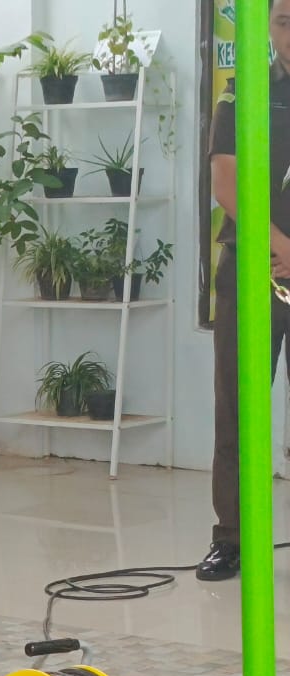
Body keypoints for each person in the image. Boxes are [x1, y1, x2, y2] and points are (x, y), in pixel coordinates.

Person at [199, 0, 290, 581]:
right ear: (267, 27)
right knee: (238, 407)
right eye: (283, 21)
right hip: (255, 271)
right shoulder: (242, 94)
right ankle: (231, 538)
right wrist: (279, 244)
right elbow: (225, 180)